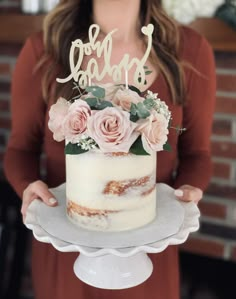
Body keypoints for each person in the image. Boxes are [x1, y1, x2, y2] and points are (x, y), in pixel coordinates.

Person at [4, 0, 216, 298]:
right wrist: (28, 185)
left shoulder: (190, 50)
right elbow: (20, 150)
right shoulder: (45, 49)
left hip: (148, 247)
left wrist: (186, 192)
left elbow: (198, 155)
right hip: (68, 250)